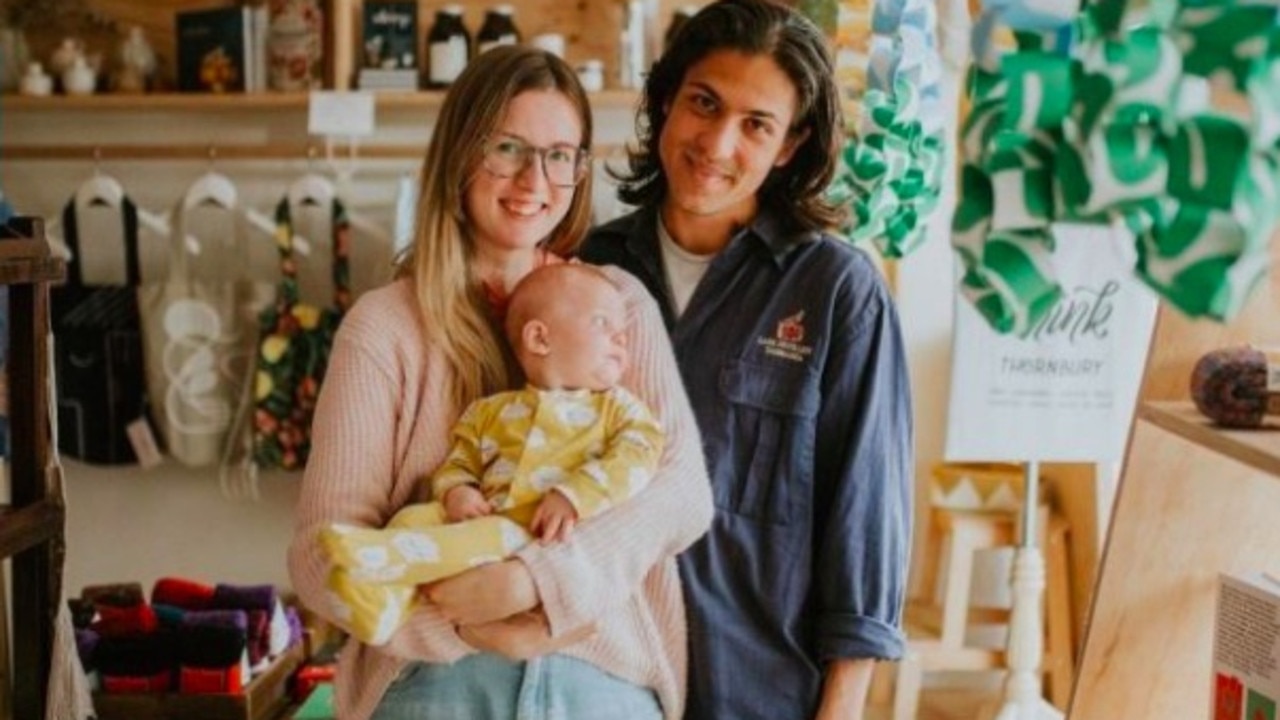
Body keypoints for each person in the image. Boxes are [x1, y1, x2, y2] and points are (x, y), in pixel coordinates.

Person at [288, 45, 713, 720]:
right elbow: (321, 555)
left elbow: (681, 494)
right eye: (507, 147)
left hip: (599, 675)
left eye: (559, 154)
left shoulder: (618, 303)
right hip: (433, 688)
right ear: (461, 152)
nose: (533, 179)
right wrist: (461, 624)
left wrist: (537, 584)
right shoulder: (384, 328)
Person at [578, 1, 913, 719]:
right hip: (599, 685)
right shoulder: (587, 271)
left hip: (756, 693)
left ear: (789, 145)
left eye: (756, 124)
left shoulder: (837, 293)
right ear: (667, 99)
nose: (718, 141)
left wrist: (843, 709)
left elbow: (865, 526)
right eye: (704, 103)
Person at [319, 263, 665, 646]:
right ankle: (381, 603)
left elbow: (640, 457)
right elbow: (459, 464)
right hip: (485, 515)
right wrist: (457, 492)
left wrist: (575, 495)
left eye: (622, 332)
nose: (621, 339)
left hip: (533, 535)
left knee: (476, 538)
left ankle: (379, 557)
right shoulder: (489, 412)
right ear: (539, 339)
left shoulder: (618, 409)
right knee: (416, 515)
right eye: (602, 323)